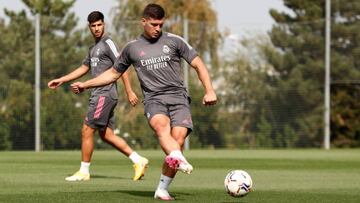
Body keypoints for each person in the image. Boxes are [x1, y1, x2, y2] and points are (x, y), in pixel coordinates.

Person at [71, 4, 217, 200]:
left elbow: (198, 64)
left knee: (178, 140)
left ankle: (162, 187)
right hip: (153, 100)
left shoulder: (175, 41)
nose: (158, 28)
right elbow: (113, 74)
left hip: (178, 98)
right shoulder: (132, 48)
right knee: (161, 127)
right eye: (154, 24)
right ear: (144, 22)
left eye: (161, 24)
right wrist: (86, 84)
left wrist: (209, 90)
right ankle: (179, 158)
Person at [47, 11, 148, 182]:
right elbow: (83, 68)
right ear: (89, 27)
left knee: (87, 129)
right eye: (93, 26)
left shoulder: (108, 43)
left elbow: (121, 66)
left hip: (104, 93)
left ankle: (84, 171)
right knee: (106, 135)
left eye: (99, 25)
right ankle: (138, 160)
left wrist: (129, 91)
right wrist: (61, 80)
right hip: (101, 94)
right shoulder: (93, 48)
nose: (96, 28)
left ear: (104, 24)